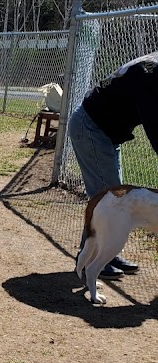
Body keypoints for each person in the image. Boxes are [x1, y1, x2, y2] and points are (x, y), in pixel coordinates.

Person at [68, 51, 158, 277]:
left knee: (110, 197)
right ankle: (93, 261)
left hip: (105, 134)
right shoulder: (149, 71)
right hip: (91, 129)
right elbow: (155, 125)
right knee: (109, 201)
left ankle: (104, 255)